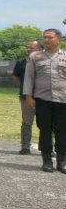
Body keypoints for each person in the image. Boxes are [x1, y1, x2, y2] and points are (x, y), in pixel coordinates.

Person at [23, 29, 66, 173]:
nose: (46, 40)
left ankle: (62, 161)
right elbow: (29, 77)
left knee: (62, 132)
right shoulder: (36, 56)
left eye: (50, 37)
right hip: (42, 99)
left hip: (63, 100)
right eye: (44, 38)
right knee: (45, 131)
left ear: (59, 39)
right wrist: (28, 96)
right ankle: (47, 161)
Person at [13, 39, 42, 155]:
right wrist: (27, 87)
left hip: (44, 97)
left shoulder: (45, 61)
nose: (28, 49)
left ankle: (47, 148)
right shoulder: (21, 62)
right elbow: (17, 77)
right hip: (26, 97)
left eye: (32, 47)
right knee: (27, 122)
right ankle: (25, 146)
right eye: (28, 47)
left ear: (40, 49)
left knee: (47, 124)